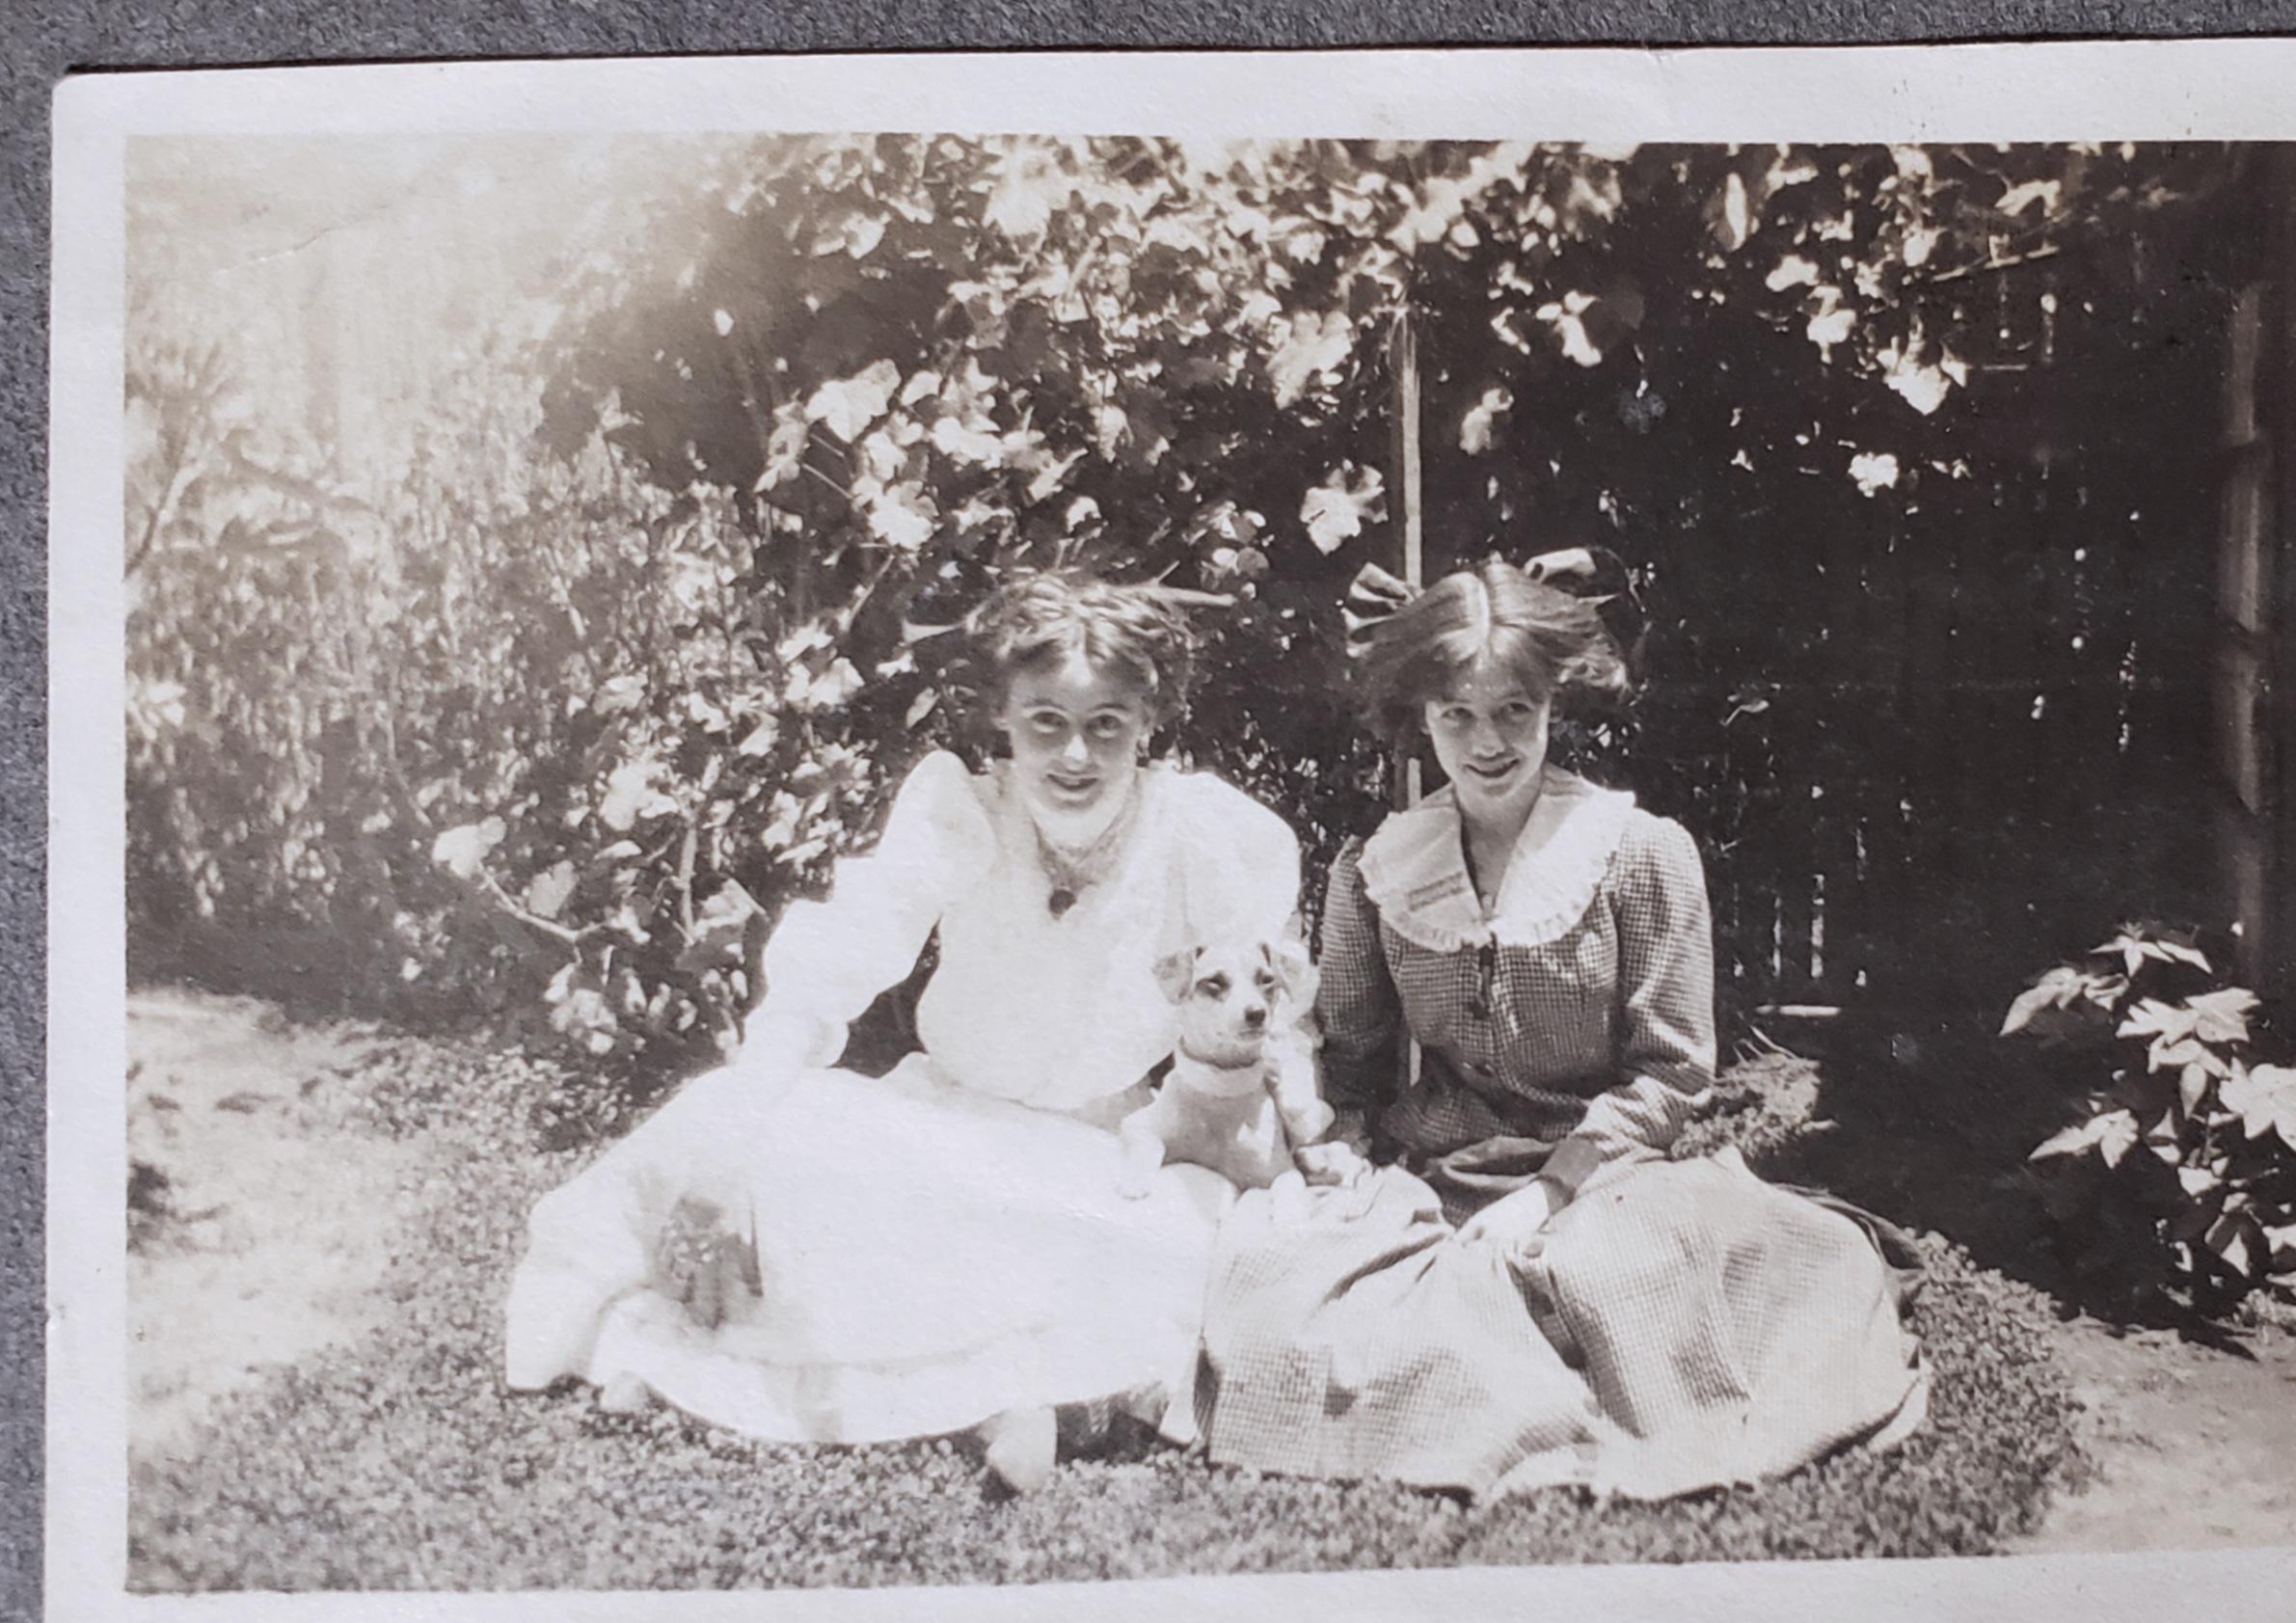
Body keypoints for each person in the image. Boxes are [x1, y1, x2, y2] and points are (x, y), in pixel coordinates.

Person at [503, 574, 1301, 1492]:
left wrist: (1297, 1152)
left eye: (1107, 724)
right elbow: (822, 981)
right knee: (737, 1125)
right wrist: (727, 1165)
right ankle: (964, 1383)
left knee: (1172, 1244)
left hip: (1100, 1156)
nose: (1075, 754)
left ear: (1148, 725)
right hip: (941, 1130)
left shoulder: (1200, 835)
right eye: (1046, 721)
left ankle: (948, 1391)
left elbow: (1269, 1010)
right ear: (1001, 716)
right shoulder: (963, 814)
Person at [1197, 558, 1930, 1500]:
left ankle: (1525, 1384)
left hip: (1603, 1181)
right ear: (1420, 715)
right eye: (1454, 713)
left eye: (1513, 709)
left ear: (1554, 701)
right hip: (1441, 1176)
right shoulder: (1377, 868)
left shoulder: (1635, 854)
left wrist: (1548, 1195)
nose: (1485, 741)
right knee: (1284, 1286)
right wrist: (1343, 1175)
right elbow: (1348, 1069)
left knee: (1619, 1279)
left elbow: (1670, 1076)